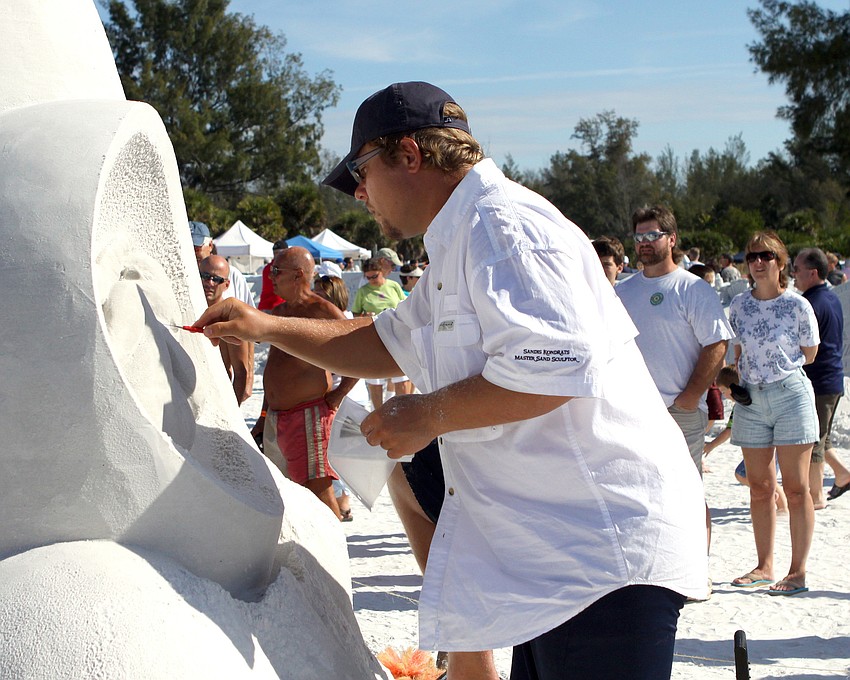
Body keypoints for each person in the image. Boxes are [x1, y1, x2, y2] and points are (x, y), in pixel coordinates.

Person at [195, 81, 706, 680]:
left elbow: (557, 368)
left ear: (410, 155)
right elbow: (381, 340)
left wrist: (427, 416)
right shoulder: (461, 239)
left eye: (361, 173)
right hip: (560, 559)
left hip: (602, 552)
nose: (359, 194)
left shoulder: (502, 226)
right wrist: (263, 326)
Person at [617, 205, 733, 580]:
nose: (645, 243)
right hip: (634, 411)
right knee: (641, 491)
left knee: (687, 488)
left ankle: (696, 569)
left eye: (653, 236)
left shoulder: (693, 288)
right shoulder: (624, 290)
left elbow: (717, 344)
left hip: (680, 409)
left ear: (672, 239)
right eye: (639, 237)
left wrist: (691, 394)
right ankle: (656, 568)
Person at [728, 231, 819, 596]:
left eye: (766, 256)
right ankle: (764, 565)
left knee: (796, 490)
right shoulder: (737, 306)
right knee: (760, 487)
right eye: (752, 256)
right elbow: (736, 355)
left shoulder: (797, 305)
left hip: (789, 396)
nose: (758, 262)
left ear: (780, 262)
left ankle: (797, 572)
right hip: (750, 399)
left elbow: (809, 353)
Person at [251, 246, 358, 519]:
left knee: (319, 493)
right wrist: (264, 416)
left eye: (276, 271)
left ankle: (331, 558)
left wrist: (338, 395)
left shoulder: (322, 311)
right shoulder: (281, 311)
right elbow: (274, 367)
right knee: (286, 492)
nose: (271, 276)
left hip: (307, 415)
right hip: (279, 417)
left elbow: (360, 357)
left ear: (298, 275)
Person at [793, 248, 849, 508]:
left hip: (820, 381)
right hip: (832, 379)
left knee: (813, 439)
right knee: (821, 436)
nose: (793, 275)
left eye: (797, 269)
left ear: (812, 273)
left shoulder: (812, 304)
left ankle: (816, 496)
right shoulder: (830, 298)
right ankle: (842, 474)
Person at [704, 365, 788, 513]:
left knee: (748, 475)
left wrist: (711, 445)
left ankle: (781, 507)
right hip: (768, 444)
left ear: (733, 388)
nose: (724, 396)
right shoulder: (747, 401)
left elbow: (730, 430)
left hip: (767, 445)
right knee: (760, 477)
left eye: (724, 392)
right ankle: (779, 504)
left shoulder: (743, 405)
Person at [352, 257, 410, 405]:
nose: (371, 280)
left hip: (396, 335)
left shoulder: (393, 286)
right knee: (375, 380)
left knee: (401, 378)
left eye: (374, 276)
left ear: (382, 272)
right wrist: (365, 316)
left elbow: (404, 306)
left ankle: (402, 415)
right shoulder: (363, 291)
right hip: (374, 338)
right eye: (368, 277)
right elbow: (355, 315)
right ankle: (377, 415)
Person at [198, 255, 254, 405]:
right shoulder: (189, 310)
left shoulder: (231, 319)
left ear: (227, 285)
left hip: (216, 402)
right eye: (204, 276)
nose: (209, 283)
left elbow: (240, 373)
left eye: (216, 279)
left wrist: (232, 413)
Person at [189, 220, 256, 308]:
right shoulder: (183, 276)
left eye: (197, 247)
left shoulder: (233, 274)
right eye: (188, 247)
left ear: (210, 245)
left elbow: (248, 312)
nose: (192, 252)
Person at [258, 239, 287, 311]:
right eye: (276, 253)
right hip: (276, 308)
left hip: (265, 306)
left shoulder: (267, 268)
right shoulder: (281, 267)